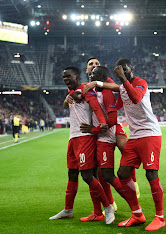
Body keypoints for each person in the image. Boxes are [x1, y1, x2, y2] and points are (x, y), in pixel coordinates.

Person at [91, 59, 165, 231]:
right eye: (120, 70)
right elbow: (115, 106)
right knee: (123, 173)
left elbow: (137, 98)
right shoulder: (123, 88)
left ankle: (160, 217)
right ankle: (137, 214)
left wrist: (122, 80)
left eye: (125, 69)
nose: (123, 72)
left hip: (150, 134)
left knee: (151, 174)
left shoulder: (140, 83)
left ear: (132, 68)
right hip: (135, 136)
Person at [49, 66, 115, 224]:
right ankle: (68, 209)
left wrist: (103, 122)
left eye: (68, 77)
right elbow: (68, 103)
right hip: (73, 137)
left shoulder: (85, 89)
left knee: (87, 176)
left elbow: (95, 106)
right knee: (72, 174)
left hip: (85, 137)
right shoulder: (72, 92)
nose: (65, 80)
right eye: (64, 77)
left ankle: (108, 207)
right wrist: (68, 98)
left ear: (77, 77)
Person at [85, 57, 140, 198]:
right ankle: (109, 202)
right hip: (97, 131)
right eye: (91, 64)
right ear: (87, 70)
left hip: (111, 124)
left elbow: (118, 88)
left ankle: (132, 182)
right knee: (100, 172)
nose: (94, 65)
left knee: (125, 149)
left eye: (97, 63)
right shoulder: (85, 86)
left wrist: (97, 83)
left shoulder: (106, 82)